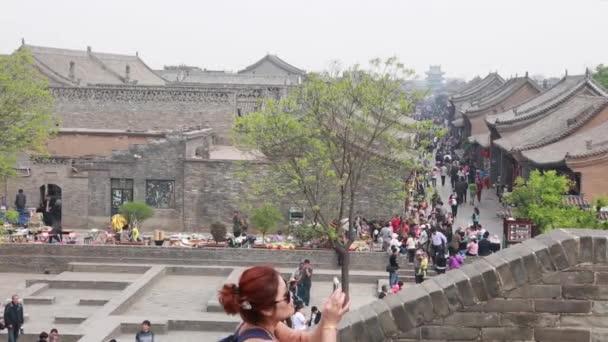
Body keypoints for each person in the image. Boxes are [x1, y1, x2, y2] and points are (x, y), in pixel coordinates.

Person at [219, 265, 350, 342]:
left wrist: (326, 318)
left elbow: (303, 340)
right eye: (286, 295)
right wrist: (330, 326)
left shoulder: (265, 323)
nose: (292, 296)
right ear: (266, 309)